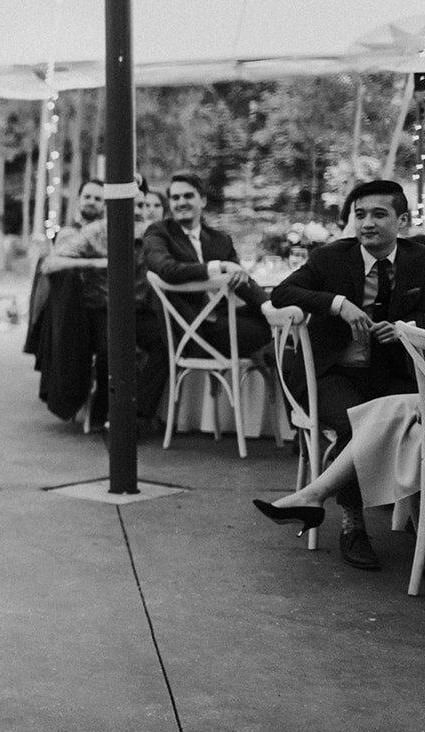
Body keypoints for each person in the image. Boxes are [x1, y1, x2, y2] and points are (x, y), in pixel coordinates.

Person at [263, 179, 425, 569]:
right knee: (358, 424)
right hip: (331, 373)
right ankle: (353, 525)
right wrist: (337, 304)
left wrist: (404, 325)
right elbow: (282, 293)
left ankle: (404, 513)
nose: (366, 223)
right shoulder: (332, 258)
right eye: (360, 215)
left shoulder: (421, 259)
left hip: (391, 374)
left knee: (415, 417)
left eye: (378, 214)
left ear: (402, 220)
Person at [40, 177, 167, 425]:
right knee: (116, 352)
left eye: (144, 206)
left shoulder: (153, 232)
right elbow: (50, 264)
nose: (141, 212)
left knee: (166, 342)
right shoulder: (96, 231)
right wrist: (96, 263)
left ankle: (138, 413)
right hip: (102, 310)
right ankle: (106, 412)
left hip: (139, 311)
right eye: (136, 206)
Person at [252, 391, 421, 547]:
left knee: (391, 412)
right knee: (375, 415)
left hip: (386, 377)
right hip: (332, 374)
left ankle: (313, 497)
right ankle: (351, 522)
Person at [142, 172, 272, 360]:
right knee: (262, 331)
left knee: (276, 314)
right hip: (189, 325)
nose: (181, 202)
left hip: (220, 317)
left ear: (202, 201)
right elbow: (166, 269)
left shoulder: (220, 239)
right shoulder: (159, 232)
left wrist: (268, 305)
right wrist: (218, 266)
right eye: (175, 198)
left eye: (188, 196)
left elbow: (240, 279)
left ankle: (266, 368)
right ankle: (264, 364)